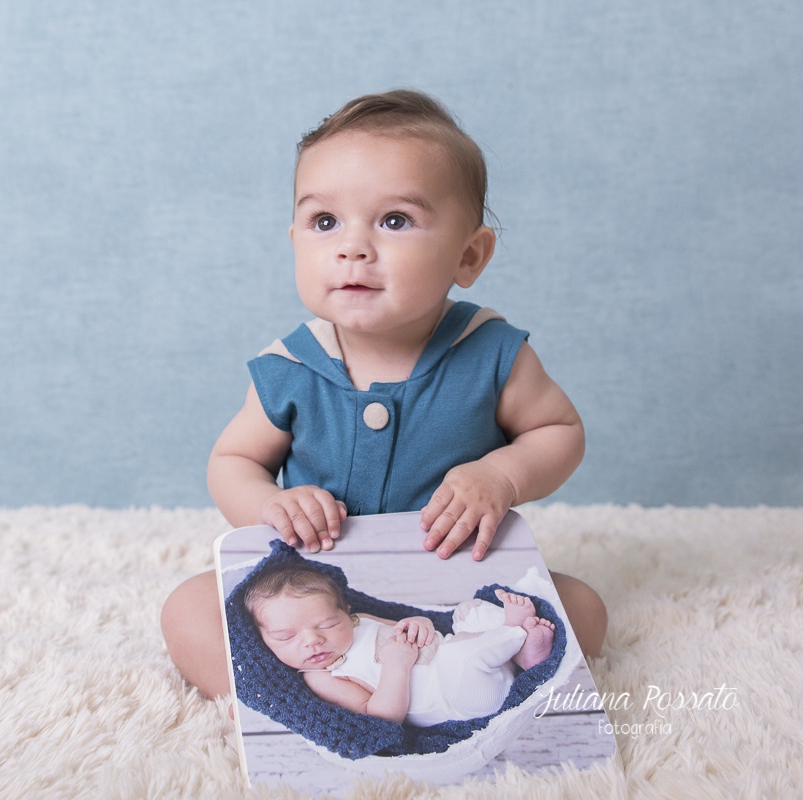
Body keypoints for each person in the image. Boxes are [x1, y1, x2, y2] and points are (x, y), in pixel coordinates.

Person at [161, 89, 607, 701]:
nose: (352, 247)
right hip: (317, 600)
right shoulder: (290, 367)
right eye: (325, 222)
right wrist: (273, 507)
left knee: (582, 609)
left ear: (468, 255)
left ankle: (467, 689)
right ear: (295, 240)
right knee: (188, 609)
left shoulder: (490, 353)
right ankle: (281, 705)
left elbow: (558, 432)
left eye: (395, 221)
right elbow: (233, 461)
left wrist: (501, 475)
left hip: (454, 587)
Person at [242, 563, 555, 726]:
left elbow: (408, 626)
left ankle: (522, 654)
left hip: (465, 652)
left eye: (327, 624)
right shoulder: (322, 677)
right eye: (287, 637)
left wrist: (419, 622)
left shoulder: (361, 620)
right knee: (460, 658)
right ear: (264, 640)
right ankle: (515, 633)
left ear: (346, 612)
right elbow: (381, 717)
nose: (313, 640)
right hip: (461, 698)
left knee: (466, 612)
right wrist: (396, 667)